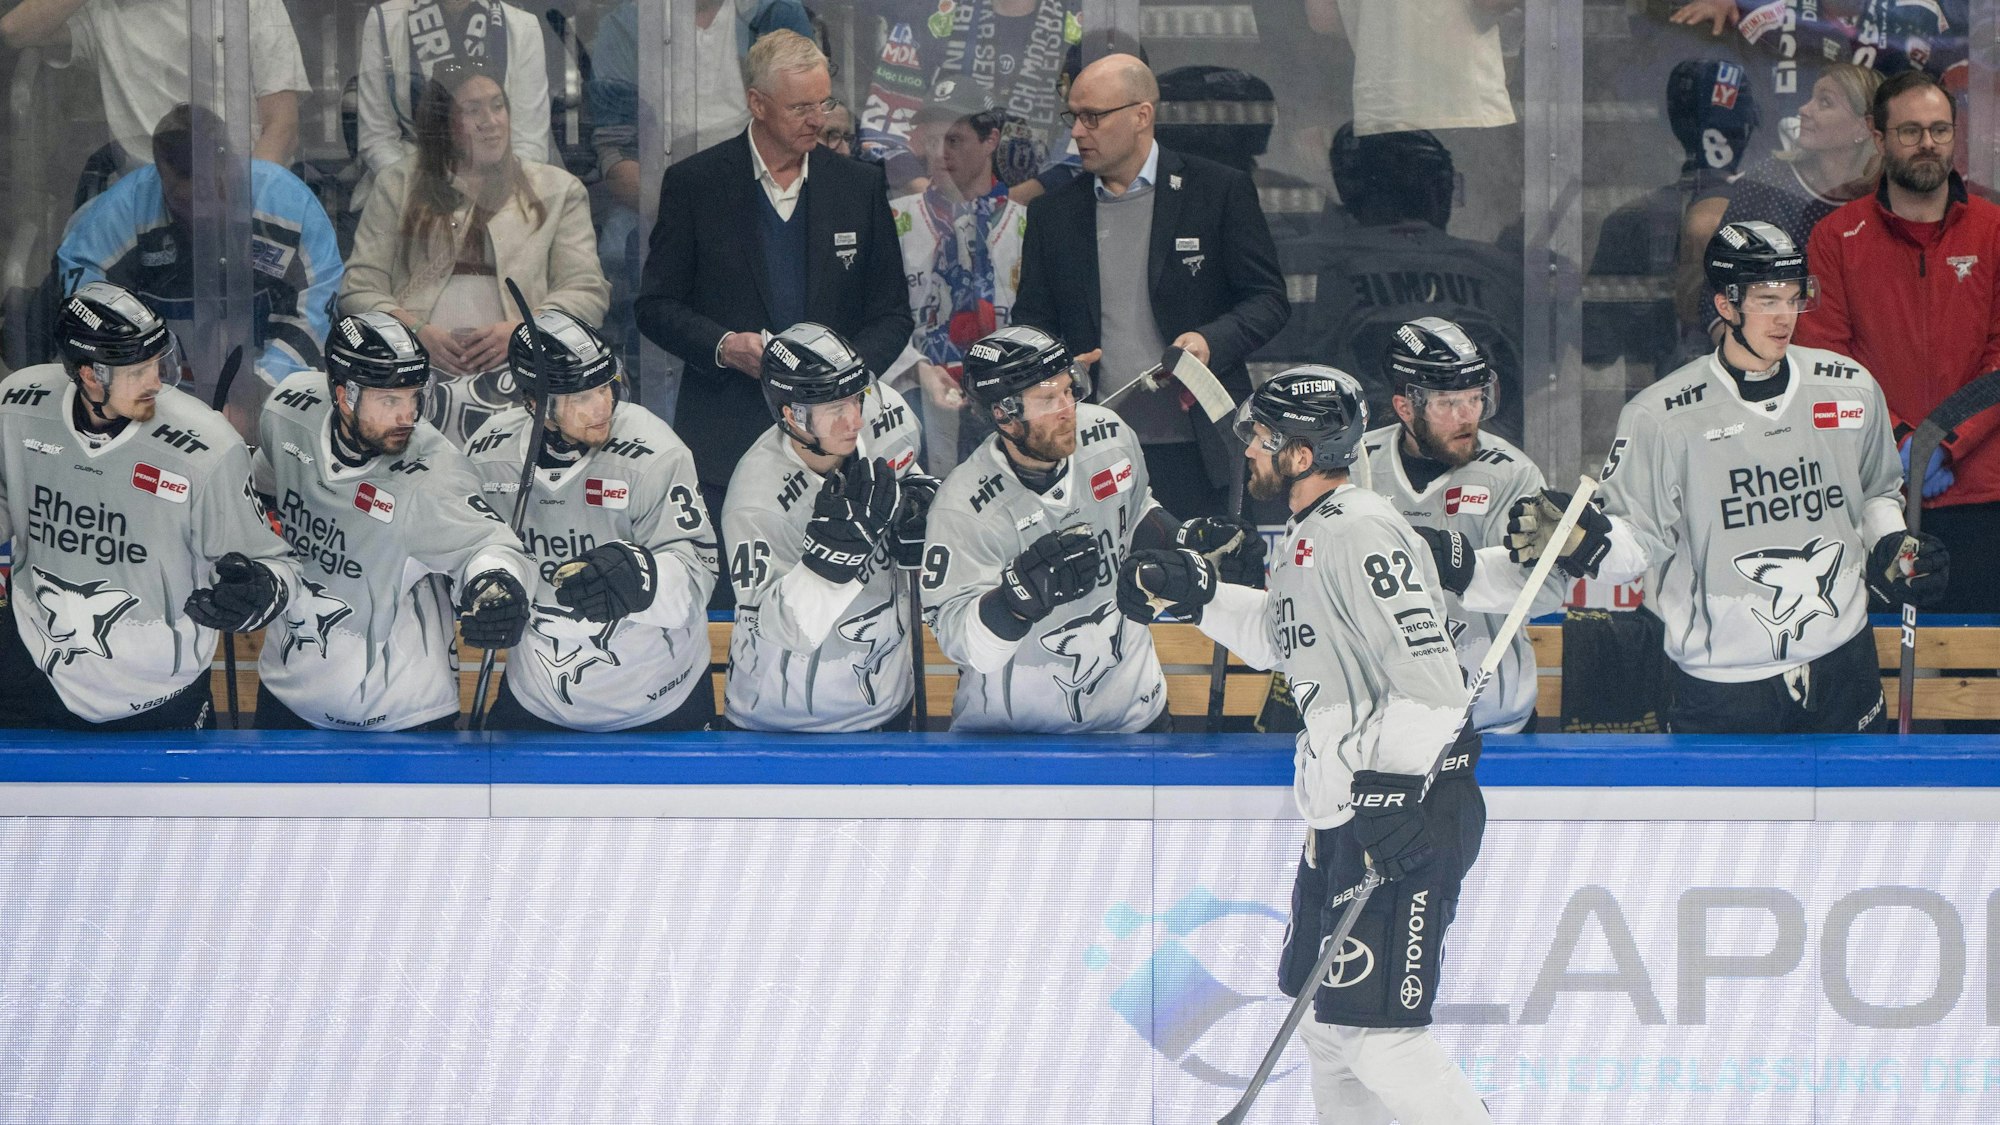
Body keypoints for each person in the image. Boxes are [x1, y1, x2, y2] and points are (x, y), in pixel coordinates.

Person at [1115, 367, 1491, 1124]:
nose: (1249, 447)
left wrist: (1388, 792)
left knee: (1382, 1042)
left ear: (1303, 449)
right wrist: (1200, 597)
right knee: (1328, 1029)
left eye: (1263, 436)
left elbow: (1436, 686)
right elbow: (1283, 640)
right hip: (1349, 813)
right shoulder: (1306, 534)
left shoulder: (1361, 529)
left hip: (1407, 809)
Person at [1513, 221, 1948, 734]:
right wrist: (1582, 541)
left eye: (1793, 297)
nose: (1785, 316)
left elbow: (1877, 492)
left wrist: (1892, 544)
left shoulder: (1849, 387)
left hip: (1843, 663)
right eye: (1767, 300)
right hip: (1721, 685)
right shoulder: (1661, 415)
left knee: (1855, 817)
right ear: (1726, 305)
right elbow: (1637, 543)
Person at [635, 29, 912, 517]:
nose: (816, 120)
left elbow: (892, 314)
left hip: (840, 452)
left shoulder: (859, 186)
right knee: (726, 590)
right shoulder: (695, 184)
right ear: (757, 103)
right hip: (725, 441)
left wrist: (842, 381)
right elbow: (655, 308)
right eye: (799, 107)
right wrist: (723, 346)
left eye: (823, 104)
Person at [0, 282, 301, 731]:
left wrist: (260, 592)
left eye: (157, 363)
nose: (156, 382)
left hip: (160, 694)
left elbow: (275, 565)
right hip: (34, 666)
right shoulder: (17, 404)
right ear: (89, 374)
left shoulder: (207, 446)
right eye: (137, 371)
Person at [923, 325, 1252, 732]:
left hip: (1133, 721)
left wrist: (1183, 539)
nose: (1067, 409)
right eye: (1047, 399)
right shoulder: (961, 508)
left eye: (1069, 389)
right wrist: (1014, 601)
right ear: (1003, 414)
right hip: (1013, 744)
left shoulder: (1109, 436)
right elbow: (963, 644)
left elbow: (1133, 516)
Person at [1012, 52, 1289, 518]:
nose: (1077, 132)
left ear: (1142, 115)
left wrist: (1208, 341)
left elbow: (1268, 300)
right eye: (1073, 116)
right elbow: (1032, 322)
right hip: (1092, 444)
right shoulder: (1052, 213)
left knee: (1210, 580)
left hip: (1199, 444)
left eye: (1092, 117)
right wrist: (1058, 365)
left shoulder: (1217, 191)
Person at [251, 312, 535, 731]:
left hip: (401, 713)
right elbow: (265, 486)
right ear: (344, 394)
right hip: (283, 692)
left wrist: (497, 587)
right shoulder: (289, 410)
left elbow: (490, 546)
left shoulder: (434, 473)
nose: (409, 416)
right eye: (390, 401)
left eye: (414, 397)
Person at [1793, 69, 2000, 613]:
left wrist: (1939, 444)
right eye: (1910, 131)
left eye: (1940, 130)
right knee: (1883, 667)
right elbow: (1825, 363)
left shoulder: (1994, 230)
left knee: (1980, 678)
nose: (1927, 143)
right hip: (1874, 493)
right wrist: (1901, 446)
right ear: (1878, 137)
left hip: (1982, 491)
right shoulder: (1835, 237)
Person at [465, 311, 719, 731]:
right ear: (534, 402)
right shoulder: (489, 455)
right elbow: (466, 550)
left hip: (659, 701)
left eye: (606, 386)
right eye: (581, 396)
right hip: (537, 699)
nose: (603, 406)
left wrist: (643, 578)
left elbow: (697, 581)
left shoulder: (656, 453)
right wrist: (485, 588)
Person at [341, 58, 609, 449]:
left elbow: (588, 293)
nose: (490, 121)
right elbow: (358, 289)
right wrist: (415, 335)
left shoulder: (559, 191)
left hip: (524, 382)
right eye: (472, 110)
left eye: (497, 106)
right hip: (413, 383)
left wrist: (523, 333)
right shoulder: (396, 185)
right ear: (442, 126)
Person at [56, 103, 342, 414]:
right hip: (155, 396)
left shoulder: (289, 207)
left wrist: (257, 395)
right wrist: (133, 385)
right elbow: (84, 305)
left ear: (232, 166)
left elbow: (314, 315)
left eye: (212, 192)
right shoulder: (120, 214)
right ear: (159, 178)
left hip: (267, 396)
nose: (200, 213)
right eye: (182, 199)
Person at [1355, 317, 1564, 735]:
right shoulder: (1355, 464)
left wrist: (1465, 568)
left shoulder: (1518, 474)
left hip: (1492, 723)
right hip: (1385, 723)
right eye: (1448, 404)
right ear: (1405, 407)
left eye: (1475, 398)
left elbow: (1550, 589)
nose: (1468, 415)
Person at [720, 323, 932, 732]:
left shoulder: (887, 416)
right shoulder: (755, 501)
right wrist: (832, 561)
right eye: (835, 409)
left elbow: (909, 477)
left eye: (856, 397)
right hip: (783, 723)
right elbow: (773, 627)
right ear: (792, 416)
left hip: (887, 704)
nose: (854, 419)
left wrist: (921, 510)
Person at [1272, 125, 1525, 444]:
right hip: (1477, 453)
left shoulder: (1304, 261)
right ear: (1442, 188)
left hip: (1358, 456)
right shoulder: (1498, 268)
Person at [886, 105, 1031, 475]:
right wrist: (915, 370)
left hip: (1009, 402)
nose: (939, 154)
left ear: (991, 141)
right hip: (913, 401)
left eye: (953, 140)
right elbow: (876, 316)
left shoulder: (1028, 226)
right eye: (931, 141)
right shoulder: (893, 220)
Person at [0, 0, 309, 167]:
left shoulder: (254, 4)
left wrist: (247, 206)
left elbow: (282, 127)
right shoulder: (104, 11)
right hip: (145, 197)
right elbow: (16, 31)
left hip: (242, 184)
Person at [353, 0, 551, 214]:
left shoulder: (522, 26)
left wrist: (490, 201)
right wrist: (420, 195)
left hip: (499, 195)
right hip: (408, 189)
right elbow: (376, 137)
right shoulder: (386, 20)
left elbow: (529, 142)